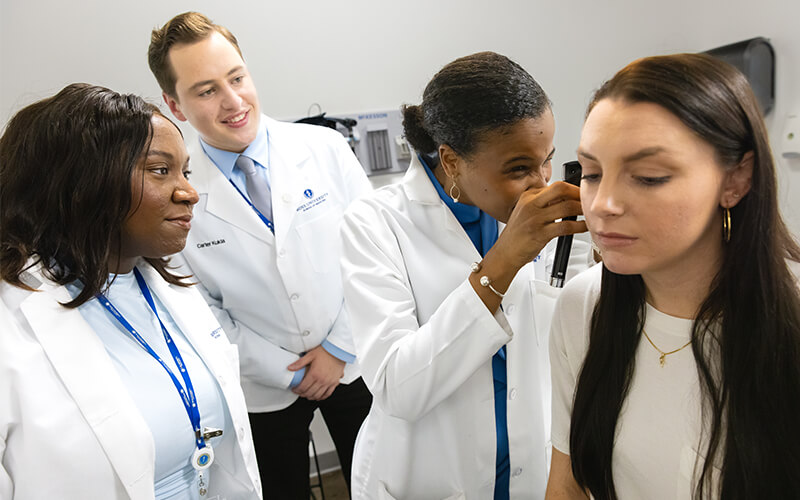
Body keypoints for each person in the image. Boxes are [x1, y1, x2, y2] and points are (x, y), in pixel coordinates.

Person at [546, 53, 800, 500]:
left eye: (648, 177)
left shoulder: (789, 319)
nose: (603, 203)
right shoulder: (583, 307)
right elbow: (567, 486)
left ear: (736, 180)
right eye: (592, 173)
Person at [340, 51, 590, 500]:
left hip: (531, 469)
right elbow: (400, 389)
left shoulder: (555, 226)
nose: (540, 184)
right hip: (427, 477)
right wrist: (504, 260)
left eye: (546, 160)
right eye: (518, 168)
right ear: (451, 160)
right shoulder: (374, 224)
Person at [148, 12, 373, 496]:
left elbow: (374, 253)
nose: (233, 102)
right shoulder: (174, 190)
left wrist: (338, 348)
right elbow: (196, 305)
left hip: (355, 357)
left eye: (237, 78)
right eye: (206, 91)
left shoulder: (325, 148)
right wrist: (286, 373)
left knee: (379, 481)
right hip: (263, 385)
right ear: (175, 105)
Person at [0, 83, 261, 499]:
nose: (189, 193)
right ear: (80, 183)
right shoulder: (11, 326)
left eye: (185, 172)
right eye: (161, 170)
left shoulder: (167, 288)